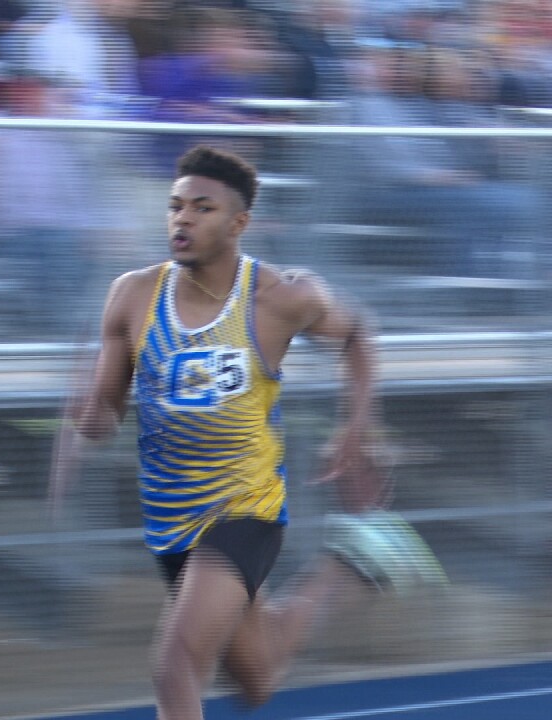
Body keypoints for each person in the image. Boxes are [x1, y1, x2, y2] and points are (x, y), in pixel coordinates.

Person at [63, 146, 445, 719]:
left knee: (174, 663)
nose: (182, 218)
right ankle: (350, 566)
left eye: (202, 207)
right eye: (175, 206)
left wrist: (356, 431)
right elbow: (103, 419)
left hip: (246, 508)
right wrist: (86, 411)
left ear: (239, 222)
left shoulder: (282, 296)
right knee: (257, 680)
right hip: (171, 515)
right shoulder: (133, 296)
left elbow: (359, 334)